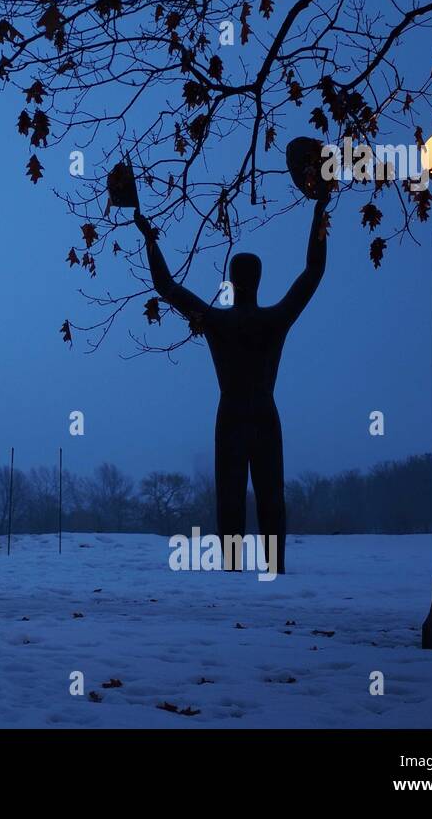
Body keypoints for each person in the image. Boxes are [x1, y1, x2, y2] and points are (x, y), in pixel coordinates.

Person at [135, 138, 329, 573]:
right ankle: (274, 565)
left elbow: (166, 288)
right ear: (258, 280)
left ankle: (232, 565)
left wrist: (148, 236)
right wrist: (319, 210)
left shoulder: (218, 323)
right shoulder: (273, 319)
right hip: (263, 411)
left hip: (231, 414)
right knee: (270, 493)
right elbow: (313, 272)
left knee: (230, 494)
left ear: (231, 280)